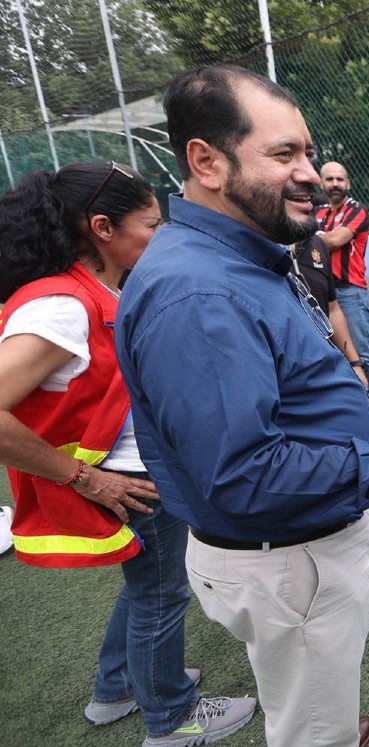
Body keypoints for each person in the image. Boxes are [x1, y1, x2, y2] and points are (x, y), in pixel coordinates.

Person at [115, 65, 369, 747]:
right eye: (283, 154)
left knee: (310, 701)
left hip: (290, 555)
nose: (311, 174)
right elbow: (245, 475)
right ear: (206, 161)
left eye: (308, 152)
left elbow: (267, 380)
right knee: (312, 732)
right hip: (286, 559)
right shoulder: (200, 293)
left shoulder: (241, 256)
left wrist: (350, 407)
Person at [0, 161, 255, 746]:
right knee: (161, 594)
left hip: (134, 471)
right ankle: (171, 718)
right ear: (102, 228)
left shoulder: (90, 290)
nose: (159, 235)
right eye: (151, 223)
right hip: (128, 479)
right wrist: (86, 478)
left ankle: (116, 688)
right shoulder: (64, 306)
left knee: (149, 586)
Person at [315, 161, 369, 398]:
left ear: (348, 183)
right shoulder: (319, 212)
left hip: (350, 291)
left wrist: (310, 236)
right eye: (329, 179)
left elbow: (336, 240)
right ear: (322, 183)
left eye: (340, 179)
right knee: (331, 347)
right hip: (322, 290)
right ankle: (349, 399)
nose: (335, 183)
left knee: (362, 350)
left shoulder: (357, 210)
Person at [291, 233, 369, 388]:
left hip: (321, 362)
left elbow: (332, 308)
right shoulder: (260, 244)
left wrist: (355, 364)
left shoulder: (317, 244)